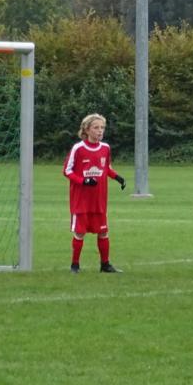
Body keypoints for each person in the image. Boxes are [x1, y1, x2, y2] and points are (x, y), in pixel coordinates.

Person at [63, 114, 126, 273]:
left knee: (103, 231)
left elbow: (107, 168)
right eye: (96, 128)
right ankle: (75, 265)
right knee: (80, 232)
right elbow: (67, 171)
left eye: (102, 128)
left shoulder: (105, 148)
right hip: (81, 200)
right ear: (87, 129)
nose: (100, 131)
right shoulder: (78, 148)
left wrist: (117, 177)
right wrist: (83, 181)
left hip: (99, 200)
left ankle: (105, 264)